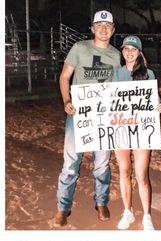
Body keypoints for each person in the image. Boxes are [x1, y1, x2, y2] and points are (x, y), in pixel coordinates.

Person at [53, 11, 120, 228]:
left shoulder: (117, 55)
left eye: (107, 25)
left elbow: (123, 86)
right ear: (92, 28)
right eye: (99, 25)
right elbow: (65, 76)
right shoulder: (80, 48)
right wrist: (66, 100)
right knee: (71, 163)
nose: (103, 29)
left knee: (101, 164)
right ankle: (63, 207)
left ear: (113, 29)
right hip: (79, 114)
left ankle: (101, 202)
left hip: (103, 117)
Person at [112, 36, 161, 230]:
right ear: (122, 52)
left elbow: (154, 99)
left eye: (133, 49)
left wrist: (157, 107)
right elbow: (110, 100)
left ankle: (147, 215)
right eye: (126, 49)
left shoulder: (148, 73)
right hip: (121, 128)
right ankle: (128, 211)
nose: (129, 52)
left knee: (141, 175)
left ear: (139, 52)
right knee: (124, 171)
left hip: (141, 129)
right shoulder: (117, 74)